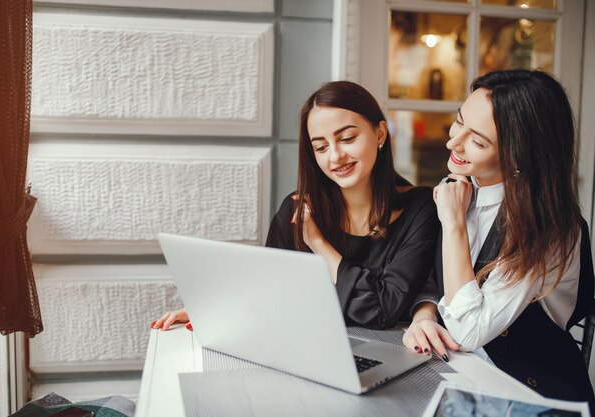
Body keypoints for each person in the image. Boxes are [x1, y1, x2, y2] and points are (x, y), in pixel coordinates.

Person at [154, 81, 453, 359]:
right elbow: (271, 290)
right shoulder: (297, 210)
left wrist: (320, 245)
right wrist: (220, 311)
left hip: (388, 357)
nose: (335, 156)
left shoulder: (420, 209)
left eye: (347, 138)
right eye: (321, 147)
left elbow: (382, 310)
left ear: (380, 133)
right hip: (304, 353)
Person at [403, 69, 595, 405]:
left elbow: (469, 331)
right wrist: (424, 315)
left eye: (477, 141)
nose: (453, 142)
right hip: (461, 376)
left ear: (520, 155)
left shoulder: (548, 227)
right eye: (458, 121)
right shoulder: (463, 188)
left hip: (529, 397)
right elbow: (436, 279)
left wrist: (454, 225)